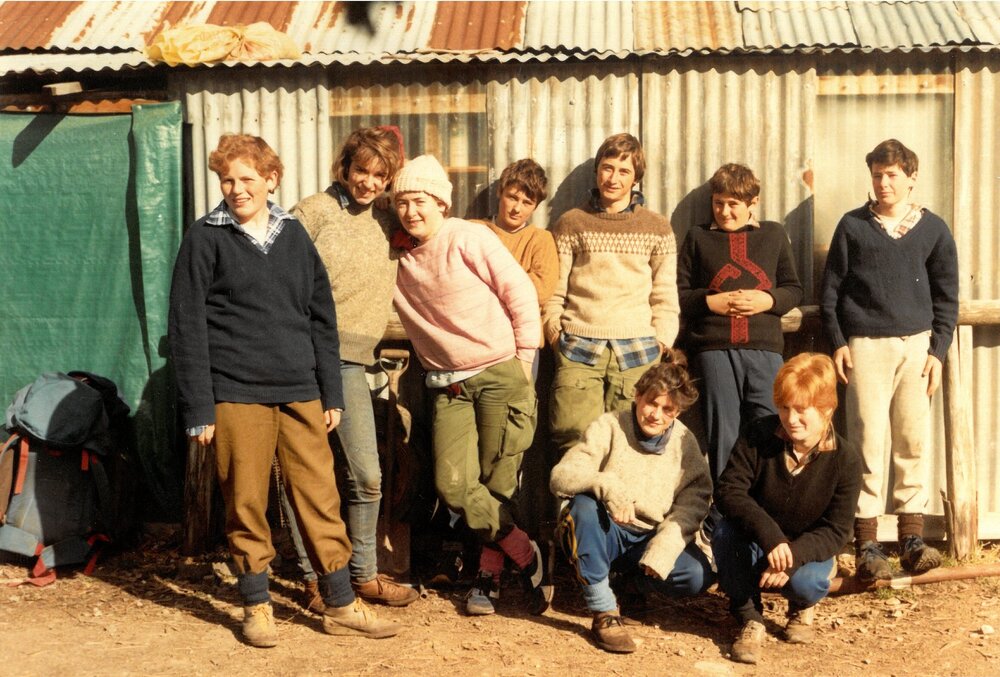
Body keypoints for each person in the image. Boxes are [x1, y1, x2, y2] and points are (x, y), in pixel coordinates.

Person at [168, 134, 400, 648]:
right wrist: (199, 406)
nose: (237, 189)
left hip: (300, 389)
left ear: (271, 180)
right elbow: (187, 326)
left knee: (320, 495)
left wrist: (331, 393)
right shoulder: (205, 237)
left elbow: (320, 316)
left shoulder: (293, 235)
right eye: (227, 180)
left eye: (247, 179)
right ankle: (256, 604)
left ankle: (340, 603)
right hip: (236, 392)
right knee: (246, 501)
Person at [390, 154, 548, 616]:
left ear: (441, 202)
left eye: (420, 201)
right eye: (402, 203)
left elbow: (519, 292)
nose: (411, 211)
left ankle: (487, 578)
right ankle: (525, 550)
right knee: (453, 483)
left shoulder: (467, 236)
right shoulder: (396, 256)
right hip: (448, 385)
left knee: (497, 483)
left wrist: (524, 361)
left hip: (500, 372)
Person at [280, 126, 418, 610]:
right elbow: (279, 278)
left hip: (352, 364)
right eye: (361, 170)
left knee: (367, 476)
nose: (369, 183)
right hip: (304, 359)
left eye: (381, 176)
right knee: (306, 475)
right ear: (345, 167)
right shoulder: (313, 212)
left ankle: (363, 575)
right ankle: (313, 579)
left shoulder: (388, 218)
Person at [820, 139, 959, 582]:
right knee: (866, 442)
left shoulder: (932, 229)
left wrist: (937, 352)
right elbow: (830, 293)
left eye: (892, 175)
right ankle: (867, 544)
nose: (883, 183)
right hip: (866, 347)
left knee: (911, 440)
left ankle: (912, 541)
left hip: (916, 347)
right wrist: (839, 342)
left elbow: (947, 298)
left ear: (911, 178)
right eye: (877, 174)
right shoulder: (853, 226)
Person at [549, 348, 713, 654]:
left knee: (695, 574)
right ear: (637, 396)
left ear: (677, 412)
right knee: (582, 508)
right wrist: (607, 485)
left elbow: (694, 502)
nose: (656, 415)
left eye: (668, 409)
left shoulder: (685, 443)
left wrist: (663, 547)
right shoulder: (610, 425)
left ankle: (631, 586)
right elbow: (562, 475)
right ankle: (603, 609)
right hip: (607, 529)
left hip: (648, 536)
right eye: (651, 403)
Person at [712, 353, 862, 664]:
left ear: (827, 409)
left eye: (801, 410)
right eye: (784, 408)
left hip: (805, 549)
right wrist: (770, 537)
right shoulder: (757, 435)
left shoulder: (845, 459)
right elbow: (729, 491)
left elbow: (837, 529)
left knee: (806, 584)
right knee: (724, 533)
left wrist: (791, 558)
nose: (790, 419)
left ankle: (802, 607)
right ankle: (749, 617)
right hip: (760, 540)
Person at [542, 132, 680, 458]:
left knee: (629, 445)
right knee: (575, 442)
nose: (613, 178)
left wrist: (661, 342)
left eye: (623, 171)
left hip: (637, 351)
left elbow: (665, 294)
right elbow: (554, 290)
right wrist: (554, 333)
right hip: (578, 347)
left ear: (636, 178)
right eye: (607, 168)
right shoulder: (571, 223)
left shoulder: (657, 227)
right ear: (597, 171)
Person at [676, 163, 802, 490]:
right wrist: (710, 302)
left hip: (764, 349)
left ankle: (767, 499)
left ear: (752, 202)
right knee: (724, 431)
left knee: (771, 424)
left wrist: (767, 300)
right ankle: (726, 507)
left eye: (733, 204)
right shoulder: (698, 237)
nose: (724, 212)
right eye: (718, 203)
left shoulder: (773, 235)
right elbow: (680, 293)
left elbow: (794, 288)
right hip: (714, 350)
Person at [475, 158, 559, 363]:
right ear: (500, 192)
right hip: (478, 337)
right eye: (512, 197)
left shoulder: (541, 240)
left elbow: (541, 290)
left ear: (535, 206)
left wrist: (488, 283)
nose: (517, 209)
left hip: (521, 343)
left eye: (527, 203)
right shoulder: (475, 230)